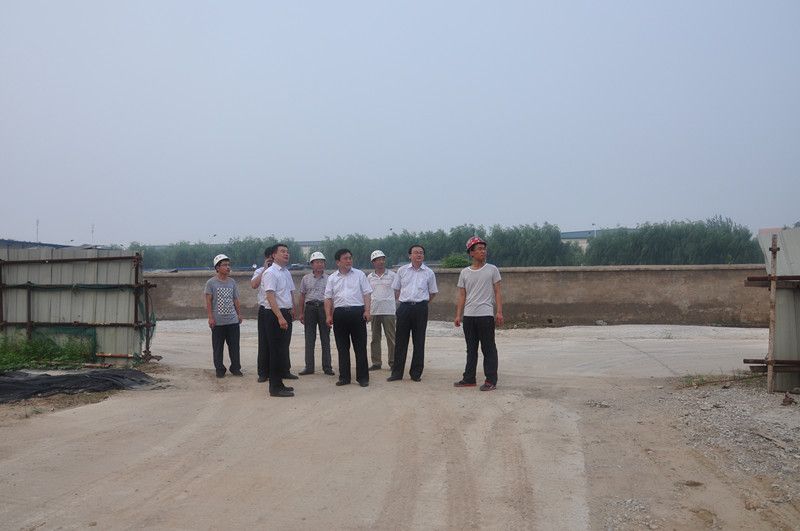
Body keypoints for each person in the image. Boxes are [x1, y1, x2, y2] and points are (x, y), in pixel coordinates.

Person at [454, 236, 504, 391]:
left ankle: (491, 380)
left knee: (488, 348)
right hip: (469, 316)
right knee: (471, 349)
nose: (483, 251)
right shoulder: (464, 272)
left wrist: (499, 312)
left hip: (485, 315)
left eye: (484, 249)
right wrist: (458, 315)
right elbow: (462, 295)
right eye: (479, 249)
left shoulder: (492, 269)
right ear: (471, 253)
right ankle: (469, 378)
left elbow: (497, 292)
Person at [387, 244, 438, 382]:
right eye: (416, 252)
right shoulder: (402, 270)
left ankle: (416, 373)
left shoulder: (429, 272)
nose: (419, 255)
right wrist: (405, 302)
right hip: (404, 308)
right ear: (410, 255)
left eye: (421, 252)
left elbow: (432, 293)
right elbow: (396, 290)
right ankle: (397, 373)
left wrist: (422, 303)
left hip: (421, 308)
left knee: (419, 341)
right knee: (400, 341)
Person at [324, 248, 372, 387]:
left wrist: (367, 311)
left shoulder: (359, 275)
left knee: (360, 347)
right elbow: (328, 298)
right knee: (342, 347)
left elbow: (367, 293)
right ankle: (344, 377)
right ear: (338, 262)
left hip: (357, 313)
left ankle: (362, 378)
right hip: (340, 314)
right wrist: (328, 315)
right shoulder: (332, 278)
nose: (349, 260)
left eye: (350, 258)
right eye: (345, 258)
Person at [252, 245, 297, 383]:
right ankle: (265, 374)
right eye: (282, 252)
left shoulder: (286, 272)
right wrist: (279, 316)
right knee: (267, 344)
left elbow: (290, 291)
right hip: (269, 311)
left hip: (284, 310)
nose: (286, 254)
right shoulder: (267, 272)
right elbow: (263, 291)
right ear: (272, 256)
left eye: (287, 252)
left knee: (283, 345)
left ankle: (283, 371)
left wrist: (293, 308)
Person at [204, 254, 243, 378]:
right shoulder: (211, 283)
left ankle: (235, 368)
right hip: (218, 322)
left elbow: (236, 299)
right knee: (218, 347)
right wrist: (210, 317)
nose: (228, 267)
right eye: (224, 265)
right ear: (217, 267)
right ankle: (220, 369)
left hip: (232, 321)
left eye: (228, 265)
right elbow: (208, 301)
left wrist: (239, 314)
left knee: (234, 347)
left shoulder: (232, 282)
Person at [298, 251, 334, 376]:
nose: (320, 264)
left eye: (322, 262)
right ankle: (309, 367)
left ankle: (327, 367)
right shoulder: (305, 279)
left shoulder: (330, 279)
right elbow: (302, 296)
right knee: (309, 338)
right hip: (310, 309)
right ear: (312, 264)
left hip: (324, 309)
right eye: (317, 262)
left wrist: (331, 314)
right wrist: (301, 313)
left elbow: (332, 298)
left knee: (325, 338)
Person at [367, 250, 396, 371]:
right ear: (373, 262)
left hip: (389, 311)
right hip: (374, 310)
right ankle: (376, 362)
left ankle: (393, 362)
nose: (381, 262)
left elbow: (398, 291)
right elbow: (367, 294)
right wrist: (367, 310)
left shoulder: (392, 275)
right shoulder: (370, 277)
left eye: (382, 259)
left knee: (391, 338)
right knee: (375, 338)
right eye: (378, 260)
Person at [252, 246, 274, 383]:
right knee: (264, 342)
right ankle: (263, 373)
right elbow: (254, 285)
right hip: (265, 309)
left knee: (280, 343)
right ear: (266, 258)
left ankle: (282, 370)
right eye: (270, 258)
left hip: (280, 309)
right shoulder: (260, 271)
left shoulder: (283, 272)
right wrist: (265, 269)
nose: (272, 261)